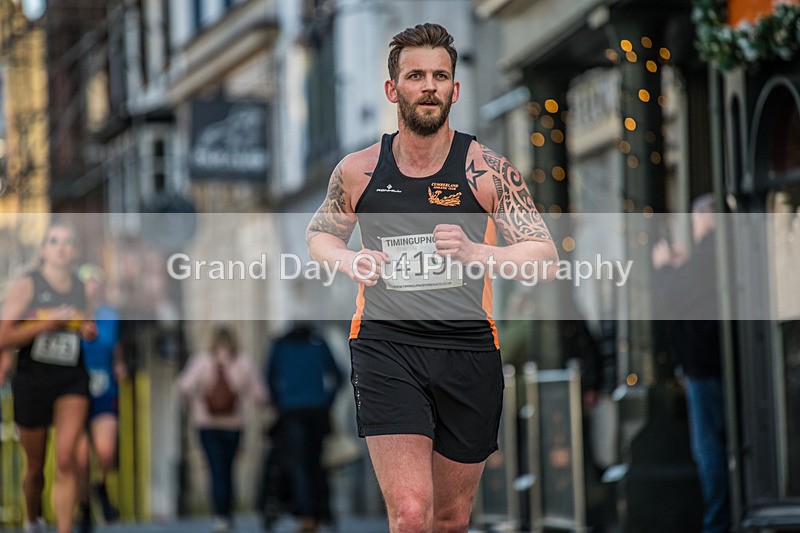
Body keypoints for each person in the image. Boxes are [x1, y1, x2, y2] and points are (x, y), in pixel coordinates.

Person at [306, 23, 557, 533]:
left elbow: (543, 254)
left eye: (440, 76)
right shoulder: (359, 169)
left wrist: (476, 252)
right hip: (385, 344)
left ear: (455, 89)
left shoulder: (485, 169)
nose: (429, 86)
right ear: (392, 89)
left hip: (468, 347)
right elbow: (319, 235)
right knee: (412, 513)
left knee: (449, 517)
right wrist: (349, 260)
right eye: (415, 75)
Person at [0, 221, 98, 533]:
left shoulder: (83, 288)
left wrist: (86, 328)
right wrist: (47, 324)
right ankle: (33, 520)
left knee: (67, 458)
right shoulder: (28, 285)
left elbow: (89, 327)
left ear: (75, 251)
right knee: (35, 469)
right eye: (54, 241)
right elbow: (4, 336)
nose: (61, 247)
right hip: (33, 380)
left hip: (71, 378)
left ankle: (65, 529)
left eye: (68, 242)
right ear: (43, 250)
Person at [652, 194, 730, 533]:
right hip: (708, 366)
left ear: (705, 220)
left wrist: (666, 267)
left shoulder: (713, 248)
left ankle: (718, 522)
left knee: (709, 449)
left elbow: (673, 298)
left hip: (706, 369)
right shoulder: (712, 253)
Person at [177, 325, 268, 533]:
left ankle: (221, 516)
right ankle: (227, 512)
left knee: (215, 469)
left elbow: (183, 386)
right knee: (228, 469)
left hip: (206, 425)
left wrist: (194, 403)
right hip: (233, 426)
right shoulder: (243, 363)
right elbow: (261, 395)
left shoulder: (201, 362)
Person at [264, 323, 344, 533]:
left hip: (292, 412)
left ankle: (307, 515)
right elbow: (339, 376)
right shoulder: (319, 345)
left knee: (299, 465)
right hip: (317, 411)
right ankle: (321, 512)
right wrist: (327, 402)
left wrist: (280, 404)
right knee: (317, 464)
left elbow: (269, 378)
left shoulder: (280, 346)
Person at [74, 264, 127, 532]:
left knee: (105, 450)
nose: (92, 286)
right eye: (88, 281)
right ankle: (84, 507)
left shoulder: (110, 315)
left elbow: (115, 347)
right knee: (81, 459)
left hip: (104, 388)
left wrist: (119, 365)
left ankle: (101, 487)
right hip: (75, 391)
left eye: (96, 281)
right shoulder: (71, 315)